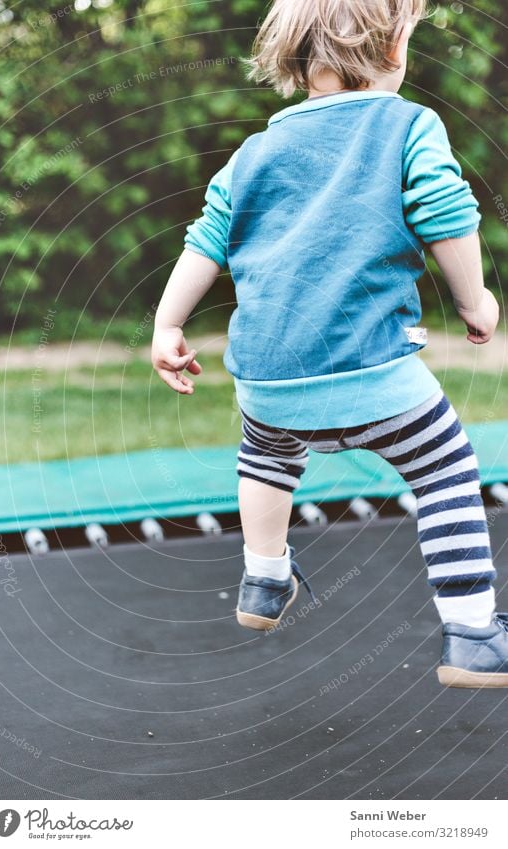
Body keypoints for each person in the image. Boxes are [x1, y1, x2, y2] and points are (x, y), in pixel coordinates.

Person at [151, 0, 507, 688]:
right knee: (443, 471)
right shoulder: (407, 124)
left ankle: (262, 580)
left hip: (267, 381)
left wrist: (168, 326)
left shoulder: (255, 150)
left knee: (265, 456)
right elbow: (444, 212)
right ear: (395, 43)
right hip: (373, 373)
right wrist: (475, 302)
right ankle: (471, 633)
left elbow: (207, 238)